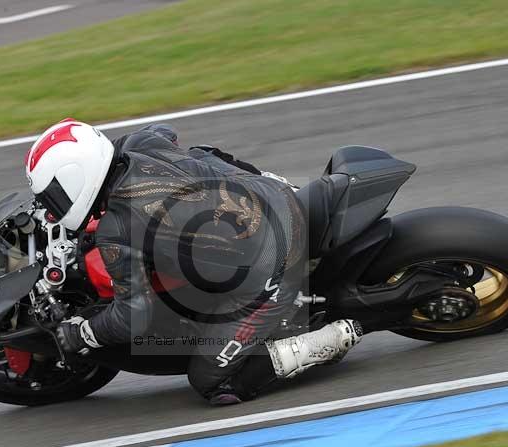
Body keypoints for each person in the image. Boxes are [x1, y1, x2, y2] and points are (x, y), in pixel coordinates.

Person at [25, 119, 362, 406]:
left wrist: (85, 333)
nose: (52, 206)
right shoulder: (137, 143)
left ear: (78, 179)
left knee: (210, 380)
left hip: (275, 262)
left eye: (54, 196)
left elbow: (135, 314)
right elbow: (165, 131)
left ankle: (323, 342)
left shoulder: (116, 229)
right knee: (202, 155)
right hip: (275, 196)